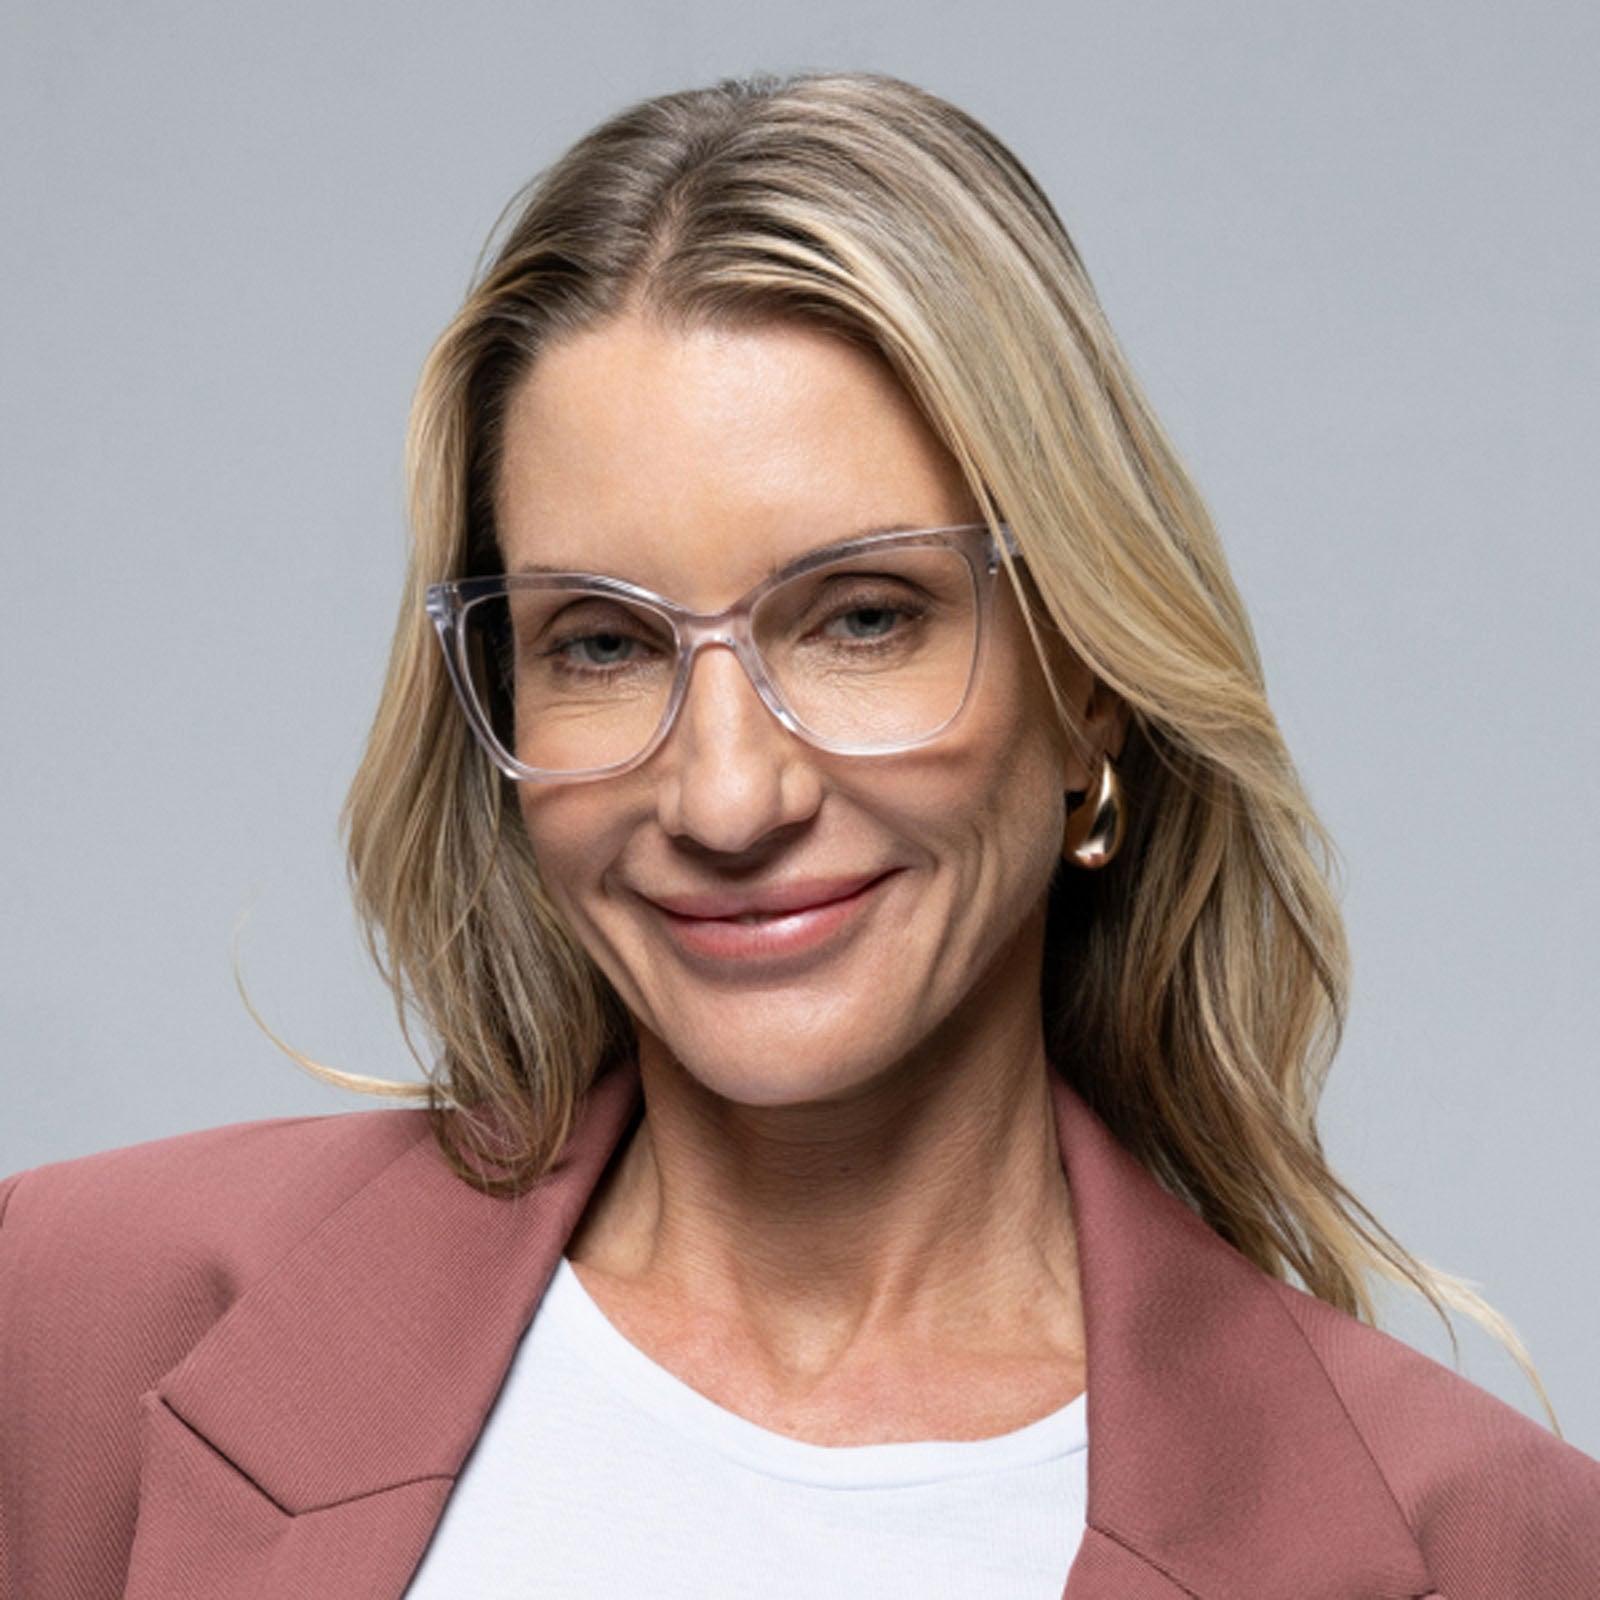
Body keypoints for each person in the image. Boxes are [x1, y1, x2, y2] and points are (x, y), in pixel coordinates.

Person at [2, 71, 1597, 1600]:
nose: (725, 800)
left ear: (1092, 682)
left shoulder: (1495, 1550)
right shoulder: (72, 1318)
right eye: (603, 644)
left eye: (862, 617)